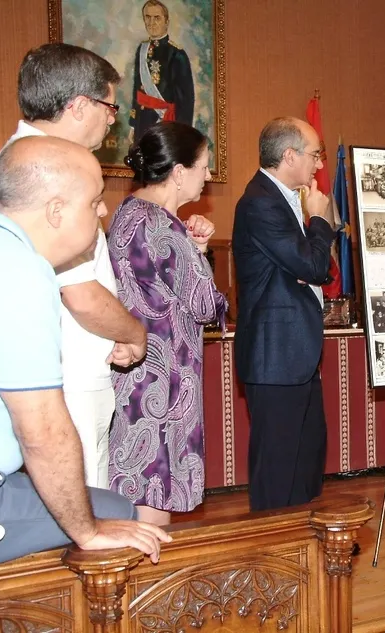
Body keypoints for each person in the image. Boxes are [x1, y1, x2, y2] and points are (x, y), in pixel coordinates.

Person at [0, 136, 170, 577]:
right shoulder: (18, 270)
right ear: (55, 211)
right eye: (93, 202)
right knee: (122, 518)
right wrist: (89, 532)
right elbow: (42, 432)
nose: (103, 212)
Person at [0, 42, 147, 490]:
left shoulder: (26, 161)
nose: (114, 119)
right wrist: (132, 332)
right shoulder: (43, 175)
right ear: (78, 105)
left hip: (67, 372)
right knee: (84, 523)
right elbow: (80, 294)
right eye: (109, 106)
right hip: (62, 379)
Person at [107, 122, 227, 526]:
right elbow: (206, 304)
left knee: (137, 491)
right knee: (152, 503)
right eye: (204, 166)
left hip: (137, 376)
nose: (208, 176)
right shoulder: (162, 225)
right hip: (165, 380)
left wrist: (196, 250)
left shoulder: (128, 212)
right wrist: (200, 256)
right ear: (178, 172)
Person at [232, 117, 336, 512]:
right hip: (275, 355)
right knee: (277, 470)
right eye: (315, 155)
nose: (320, 165)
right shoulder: (259, 201)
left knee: (305, 463)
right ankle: (269, 555)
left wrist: (314, 224)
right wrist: (321, 220)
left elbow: (318, 269)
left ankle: (300, 551)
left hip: (296, 353)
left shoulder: (286, 198)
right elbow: (311, 266)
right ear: (289, 155)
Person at [129, 0, 195, 144]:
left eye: (157, 18)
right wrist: (133, 124)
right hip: (142, 123)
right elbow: (137, 90)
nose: (151, 22)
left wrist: (181, 133)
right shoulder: (142, 49)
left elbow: (185, 101)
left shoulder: (177, 54)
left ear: (166, 21)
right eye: (148, 17)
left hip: (165, 123)